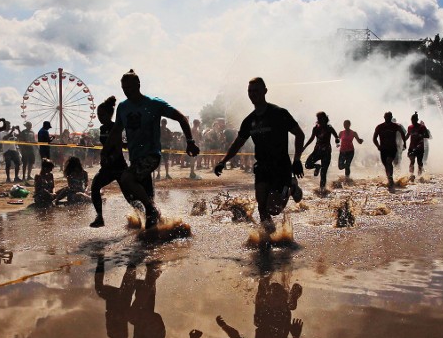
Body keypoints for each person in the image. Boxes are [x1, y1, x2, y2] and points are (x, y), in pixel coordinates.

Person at [101, 69, 200, 229]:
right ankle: (165, 228)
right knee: (142, 198)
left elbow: (180, 117)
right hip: (135, 158)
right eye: (124, 89)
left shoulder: (154, 104)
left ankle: (152, 210)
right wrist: (105, 150)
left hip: (151, 156)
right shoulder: (123, 107)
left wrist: (190, 141)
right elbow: (116, 130)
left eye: (130, 88)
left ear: (138, 85)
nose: (127, 92)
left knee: (127, 178)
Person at [214, 77, 305, 233]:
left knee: (274, 209)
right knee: (261, 207)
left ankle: (292, 187)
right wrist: (223, 161)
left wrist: (297, 159)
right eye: (250, 91)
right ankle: (267, 241)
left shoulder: (279, 113)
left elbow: (300, 134)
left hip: (281, 166)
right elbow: (237, 143)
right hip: (262, 167)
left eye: (256, 90)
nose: (253, 94)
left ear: (265, 91)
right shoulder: (249, 121)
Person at [89, 96, 127, 227]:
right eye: (98, 114)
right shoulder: (102, 129)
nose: (100, 117)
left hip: (119, 165)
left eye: (102, 114)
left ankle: (144, 216)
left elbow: (117, 147)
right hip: (107, 167)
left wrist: (110, 158)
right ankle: (99, 217)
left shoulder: (114, 127)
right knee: (95, 187)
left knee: (129, 195)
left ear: (110, 114)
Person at [302, 111, 339, 190]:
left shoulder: (329, 128)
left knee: (323, 172)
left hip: (326, 152)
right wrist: (304, 147)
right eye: (318, 118)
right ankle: (317, 166)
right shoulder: (316, 128)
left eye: (320, 118)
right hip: (317, 151)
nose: (319, 120)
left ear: (325, 119)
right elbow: (312, 138)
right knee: (307, 165)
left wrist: (337, 140)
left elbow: (336, 136)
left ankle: (322, 190)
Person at [373, 111, 407, 190]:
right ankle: (389, 178)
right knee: (386, 165)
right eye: (386, 117)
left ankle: (391, 179)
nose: (388, 118)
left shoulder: (396, 126)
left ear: (391, 117)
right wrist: (378, 146)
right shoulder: (379, 127)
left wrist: (404, 143)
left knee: (389, 161)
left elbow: (403, 133)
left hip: (392, 148)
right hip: (383, 149)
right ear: (384, 117)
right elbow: (374, 138)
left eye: (389, 117)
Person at [406, 112, 431, 180]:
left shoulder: (422, 127)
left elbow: (427, 136)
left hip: (420, 147)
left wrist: (421, 135)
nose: (413, 121)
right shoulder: (410, 127)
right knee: (412, 161)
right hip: (411, 147)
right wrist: (403, 141)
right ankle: (411, 175)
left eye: (414, 120)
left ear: (417, 120)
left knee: (419, 162)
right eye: (412, 120)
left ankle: (420, 176)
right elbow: (408, 135)